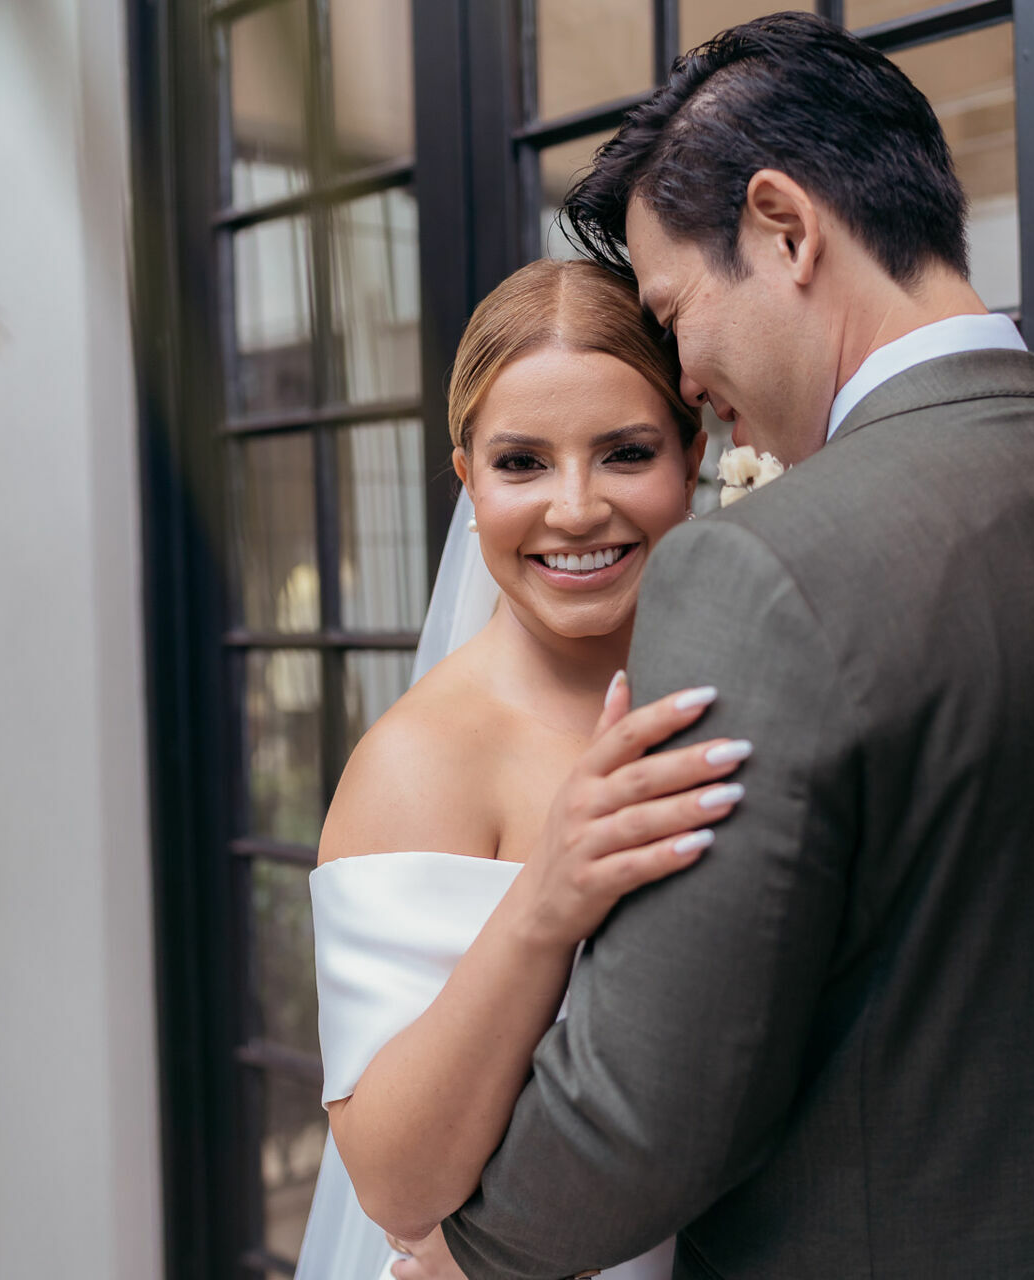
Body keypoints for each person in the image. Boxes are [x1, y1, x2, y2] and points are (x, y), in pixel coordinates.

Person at [435, 13, 1034, 1279]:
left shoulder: (761, 570)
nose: (684, 378)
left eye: (675, 314)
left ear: (786, 229)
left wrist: (470, 1247)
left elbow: (650, 1100)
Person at [293, 257, 737, 1280]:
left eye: (625, 453)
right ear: (469, 481)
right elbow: (397, 1187)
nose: (575, 508)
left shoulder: (748, 685)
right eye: (523, 463)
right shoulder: (420, 761)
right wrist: (548, 892)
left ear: (693, 455)